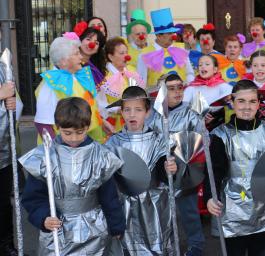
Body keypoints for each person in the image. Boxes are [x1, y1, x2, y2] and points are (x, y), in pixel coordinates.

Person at [20, 97, 126, 255]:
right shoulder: (45, 157)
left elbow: (109, 195)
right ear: (57, 127)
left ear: (88, 126)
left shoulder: (100, 155)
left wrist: (116, 225)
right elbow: (33, 197)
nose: (74, 138)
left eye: (79, 132)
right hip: (58, 232)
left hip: (94, 230)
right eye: (67, 133)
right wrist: (44, 217)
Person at [205, 79, 265, 256]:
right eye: (241, 101)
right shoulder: (221, 135)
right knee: (235, 251)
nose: (247, 106)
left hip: (264, 206)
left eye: (252, 101)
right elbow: (214, 171)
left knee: (261, 251)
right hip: (233, 207)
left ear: (259, 104)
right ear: (232, 102)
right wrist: (209, 197)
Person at [105, 86, 177, 255]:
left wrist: (171, 169)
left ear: (147, 112)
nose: (132, 114)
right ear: (121, 112)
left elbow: (165, 172)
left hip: (155, 205)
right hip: (124, 206)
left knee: (157, 246)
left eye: (138, 110)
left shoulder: (159, 140)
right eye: (127, 110)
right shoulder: (113, 143)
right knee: (127, 248)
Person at [146, 73, 205, 256]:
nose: (177, 91)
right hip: (159, 173)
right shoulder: (152, 115)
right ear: (161, 91)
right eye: (171, 88)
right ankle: (167, 244)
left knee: (189, 212)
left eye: (180, 87)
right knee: (163, 213)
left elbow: (203, 141)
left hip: (186, 172)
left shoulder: (191, 112)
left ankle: (196, 245)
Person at [34, 33, 111, 142]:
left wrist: (101, 122)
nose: (81, 56)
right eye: (76, 53)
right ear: (63, 61)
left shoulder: (78, 77)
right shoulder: (49, 85)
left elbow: (90, 105)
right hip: (67, 149)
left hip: (88, 145)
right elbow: (43, 124)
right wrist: (56, 152)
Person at [0, 38, 23, 256]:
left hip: (3, 149)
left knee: (3, 204)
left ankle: (5, 245)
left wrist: (12, 102)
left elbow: (13, 105)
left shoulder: (3, 66)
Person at [137, 8, 194, 95]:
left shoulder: (181, 49)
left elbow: (189, 73)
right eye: (169, 33)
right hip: (156, 102)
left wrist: (189, 88)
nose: (173, 36)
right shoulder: (144, 54)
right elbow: (141, 83)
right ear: (159, 36)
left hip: (181, 99)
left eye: (173, 33)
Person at [99, 37, 145, 134]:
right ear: (111, 57)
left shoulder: (131, 72)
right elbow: (99, 103)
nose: (126, 56)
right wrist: (116, 109)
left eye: (126, 52)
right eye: (121, 53)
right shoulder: (103, 76)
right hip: (111, 124)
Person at [183, 54, 232, 130]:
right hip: (197, 129)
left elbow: (235, 98)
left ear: (215, 69)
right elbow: (182, 108)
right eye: (200, 65)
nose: (203, 66)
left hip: (219, 128)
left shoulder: (222, 86)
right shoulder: (191, 88)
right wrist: (198, 113)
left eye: (207, 64)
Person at [75, 24, 107, 89]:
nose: (91, 44)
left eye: (96, 43)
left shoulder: (95, 69)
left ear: (98, 49)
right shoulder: (71, 63)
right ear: (80, 40)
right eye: (88, 39)